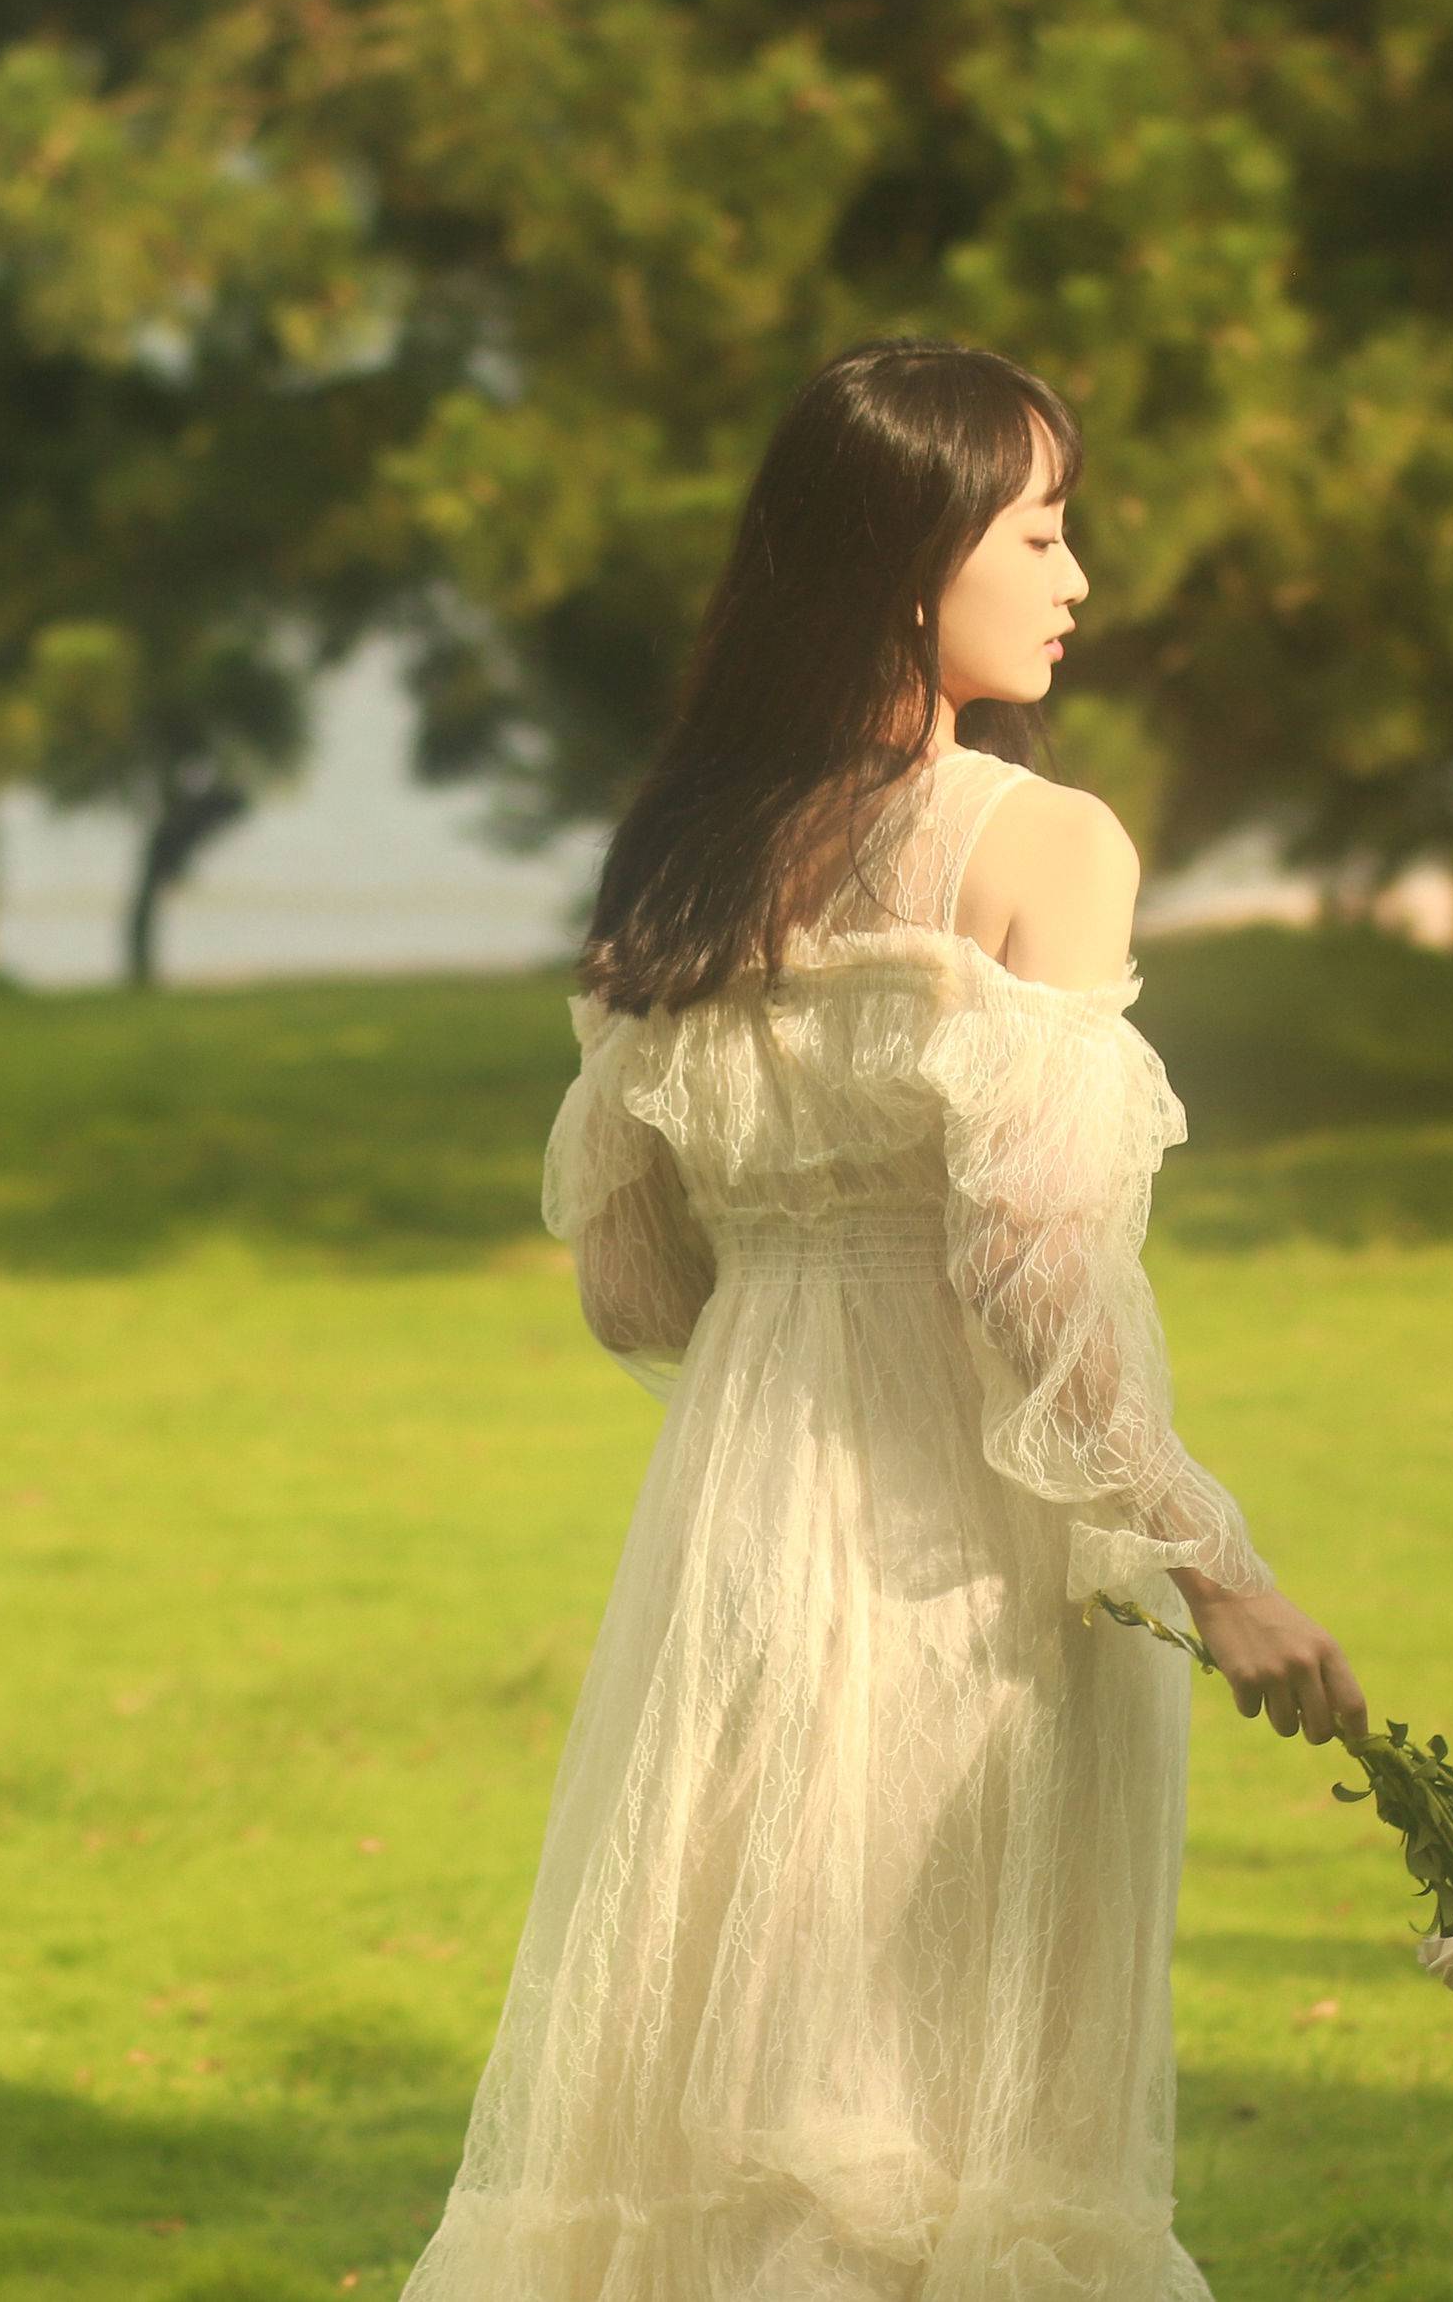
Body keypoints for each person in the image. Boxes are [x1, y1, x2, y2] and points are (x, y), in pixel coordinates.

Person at [401, 338, 1366, 2302]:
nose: (1076, 580)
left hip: (740, 1531)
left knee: (740, 2091)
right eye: (1041, 532)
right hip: (974, 1558)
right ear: (910, 564)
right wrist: (1219, 1571)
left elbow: (632, 1285)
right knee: (960, 2117)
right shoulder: (1039, 846)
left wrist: (795, 1272)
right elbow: (1030, 1269)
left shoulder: (679, 865)